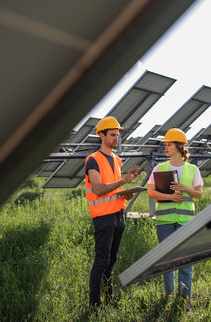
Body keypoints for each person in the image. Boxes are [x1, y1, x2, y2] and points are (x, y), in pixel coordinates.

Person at [84, 116, 139, 307]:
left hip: (118, 215)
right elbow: (98, 189)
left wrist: (124, 193)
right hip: (103, 217)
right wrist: (124, 182)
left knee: (112, 259)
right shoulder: (92, 160)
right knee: (102, 260)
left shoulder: (117, 159)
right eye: (113, 135)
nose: (117, 138)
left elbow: (113, 189)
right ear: (101, 135)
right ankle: (94, 303)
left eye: (118, 135)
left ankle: (109, 296)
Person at [147, 128, 203, 309]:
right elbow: (151, 192)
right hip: (164, 221)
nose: (166, 147)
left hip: (186, 221)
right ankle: (169, 294)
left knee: (185, 259)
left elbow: (199, 195)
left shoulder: (192, 169)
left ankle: (185, 298)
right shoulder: (159, 168)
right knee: (167, 259)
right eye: (166, 144)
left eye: (169, 144)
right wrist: (171, 197)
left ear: (179, 146)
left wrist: (184, 188)